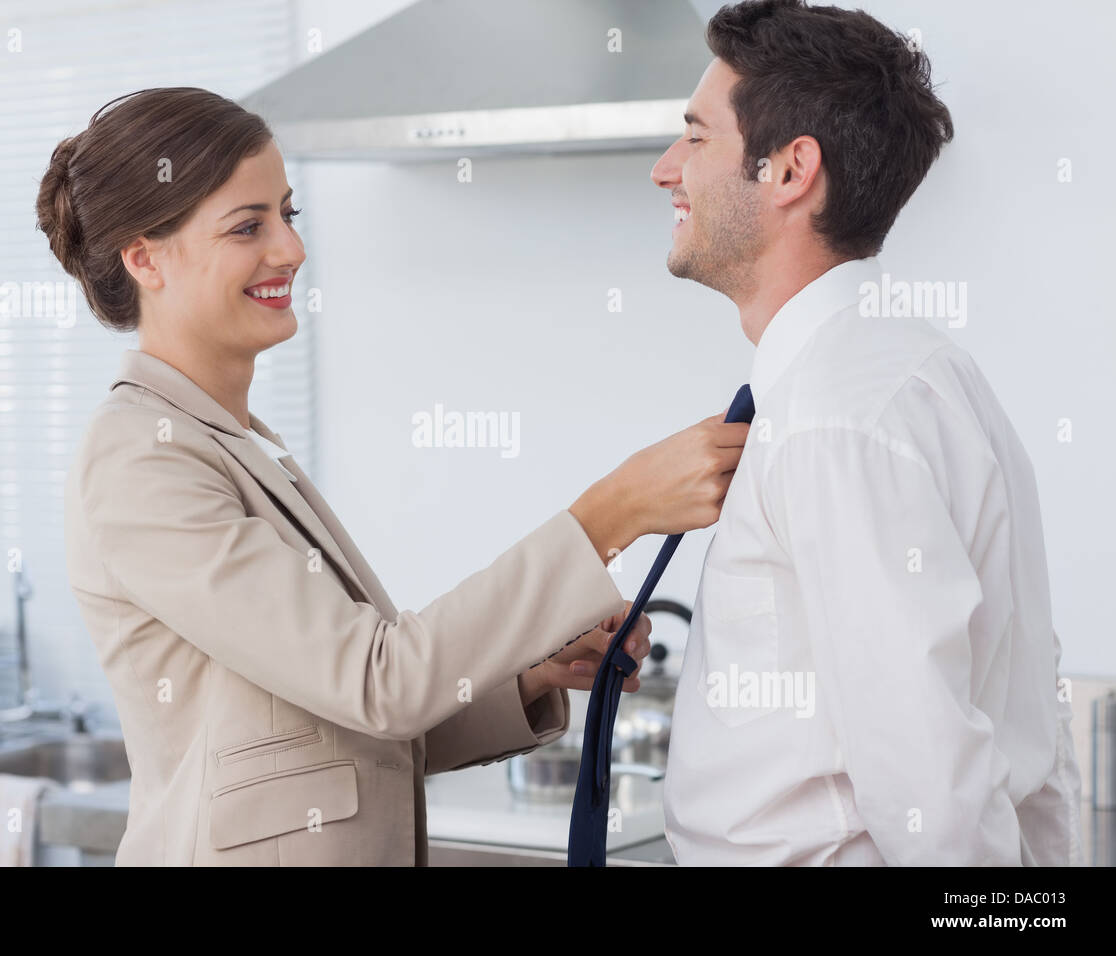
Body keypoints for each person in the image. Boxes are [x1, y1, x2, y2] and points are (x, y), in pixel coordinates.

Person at [41, 87, 751, 865]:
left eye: (289, 214)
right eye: (249, 226)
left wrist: (527, 675)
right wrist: (613, 513)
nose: (290, 249)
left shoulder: (236, 443)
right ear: (146, 258)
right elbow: (379, 680)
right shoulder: (143, 458)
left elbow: (345, 727)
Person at [653, 0, 1081, 865]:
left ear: (789, 171)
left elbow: (931, 784)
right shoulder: (909, 376)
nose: (667, 170)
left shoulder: (833, 420)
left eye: (696, 138)